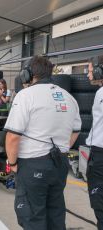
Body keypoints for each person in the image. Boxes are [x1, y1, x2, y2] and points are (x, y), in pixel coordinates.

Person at [4, 56, 81, 229]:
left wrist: (12, 162)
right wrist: (62, 148)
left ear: (27, 74)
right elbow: (76, 130)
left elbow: (13, 136)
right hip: (60, 163)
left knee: (32, 215)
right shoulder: (69, 97)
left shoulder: (25, 95)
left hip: (32, 164)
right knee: (55, 212)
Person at [86, 55, 103, 229]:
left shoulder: (101, 92)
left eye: (90, 71)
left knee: (99, 202)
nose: (88, 75)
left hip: (100, 155)